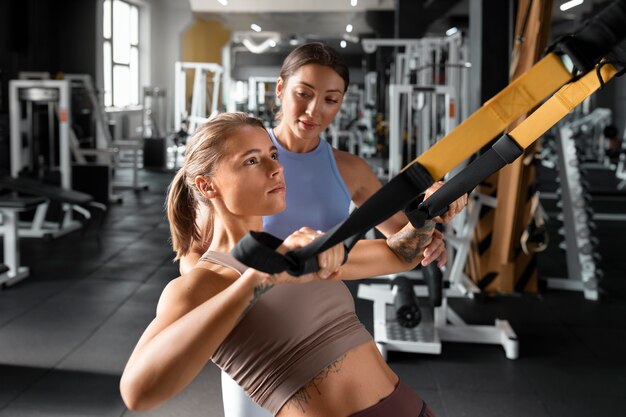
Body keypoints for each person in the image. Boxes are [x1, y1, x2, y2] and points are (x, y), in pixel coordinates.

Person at [181, 42, 467, 417]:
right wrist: (246, 292)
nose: (315, 110)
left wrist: (434, 213)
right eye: (304, 94)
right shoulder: (237, 159)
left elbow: (402, 239)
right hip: (254, 340)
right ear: (281, 89)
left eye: (331, 99)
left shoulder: (350, 170)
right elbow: (194, 258)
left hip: (322, 329)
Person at [119, 112, 441, 416]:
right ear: (207, 185)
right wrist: (257, 281)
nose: (275, 169)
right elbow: (137, 392)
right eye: (251, 161)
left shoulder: (298, 248)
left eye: (273, 155)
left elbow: (403, 255)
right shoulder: (202, 283)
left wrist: (431, 209)